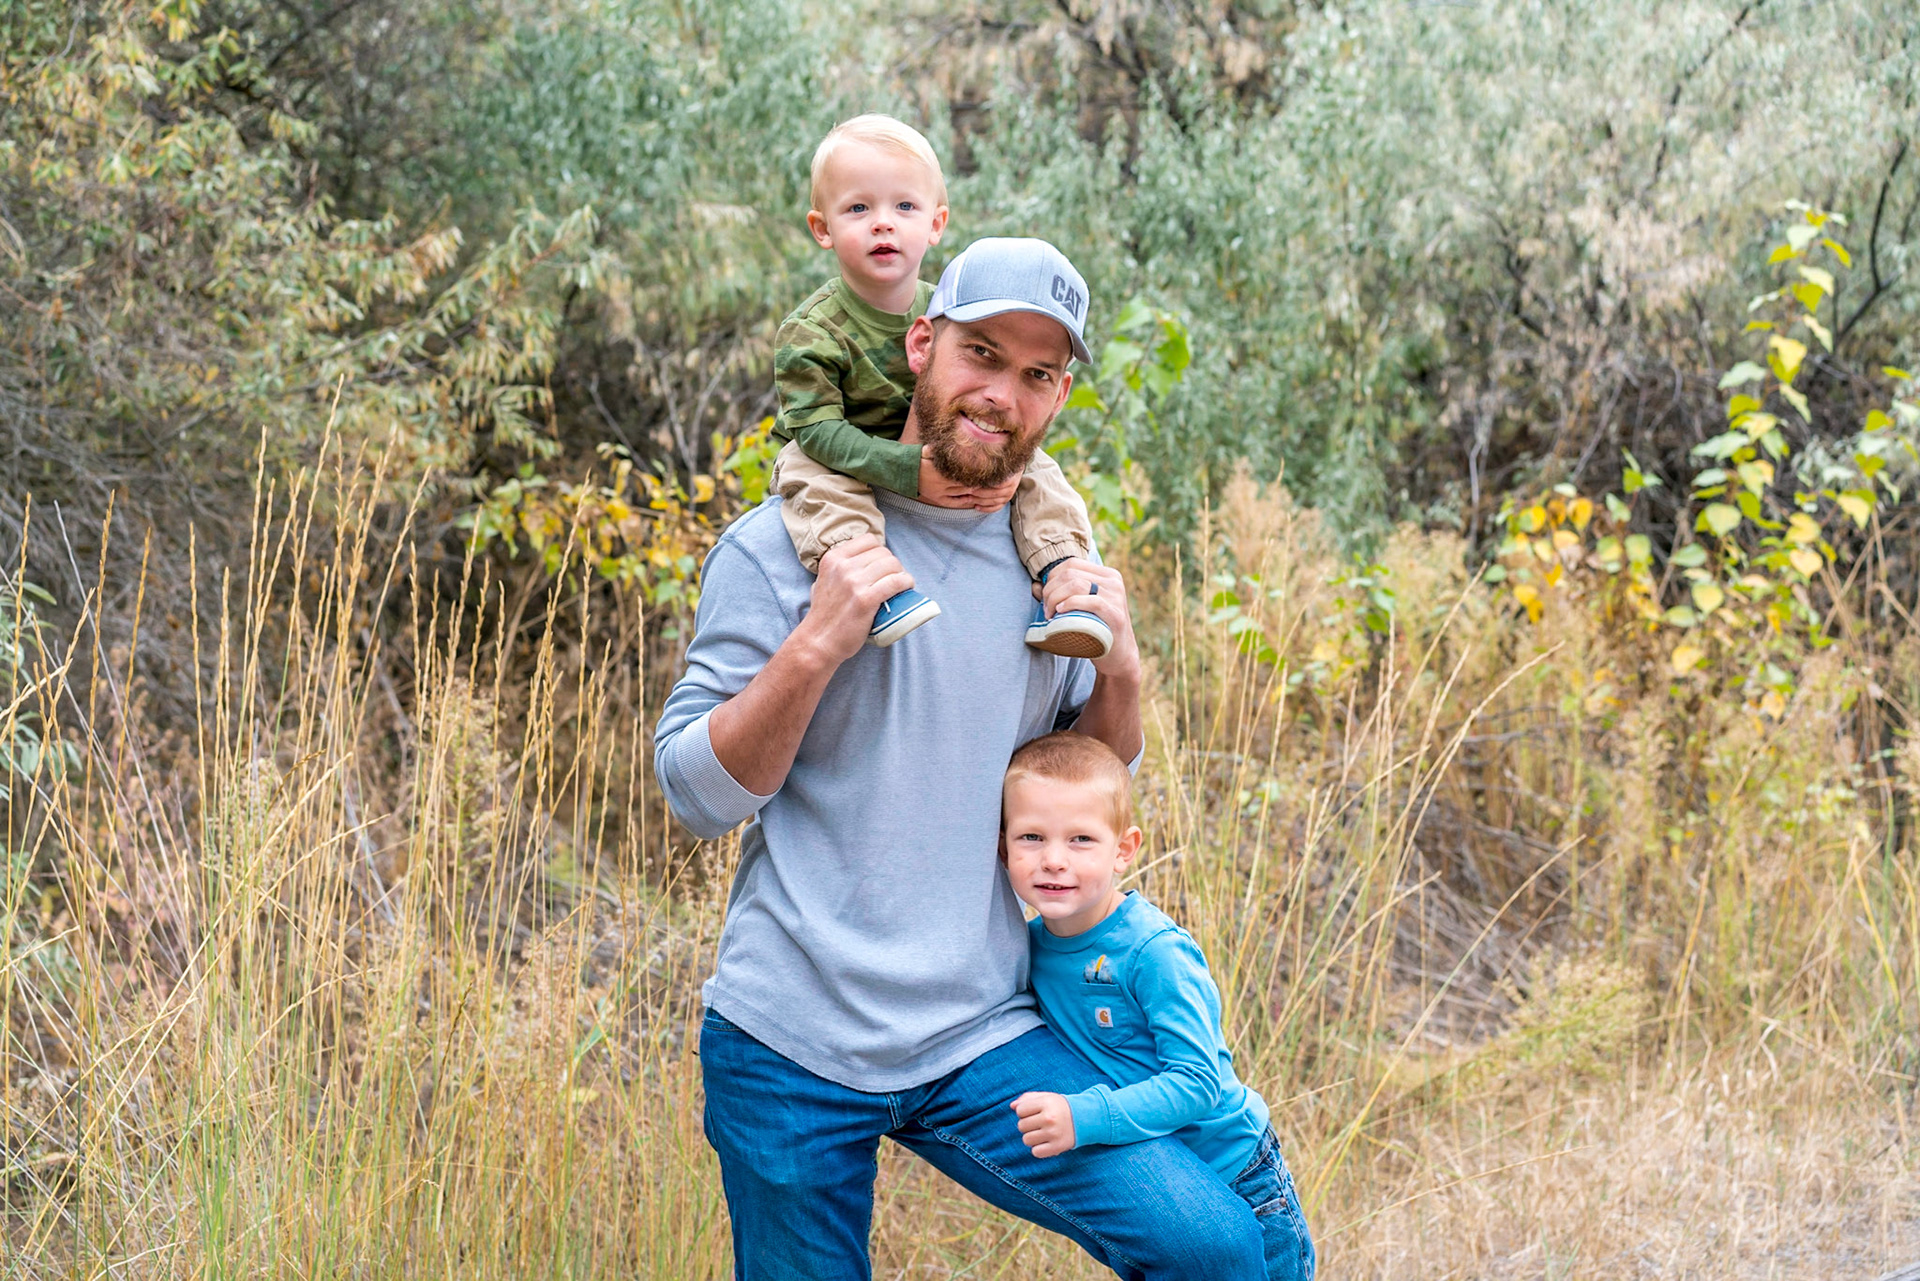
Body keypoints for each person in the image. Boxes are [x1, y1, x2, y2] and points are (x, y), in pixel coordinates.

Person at [654, 237, 1264, 1279]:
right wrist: (817, 643)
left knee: (1212, 1248)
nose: (1001, 395)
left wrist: (1121, 665)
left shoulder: (1052, 569)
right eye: (981, 354)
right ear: (922, 346)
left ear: (1058, 394)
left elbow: (1085, 780)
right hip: (791, 1039)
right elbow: (694, 796)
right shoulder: (780, 546)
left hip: (983, 1029)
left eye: (1036, 374)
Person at [770, 113, 1108, 656]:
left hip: (927, 440)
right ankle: (872, 587)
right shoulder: (811, 332)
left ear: (936, 223)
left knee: (1039, 467)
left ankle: (1065, 578)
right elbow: (814, 430)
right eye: (858, 208)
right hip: (833, 448)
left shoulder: (947, 305)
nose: (883, 224)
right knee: (812, 477)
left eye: (904, 206)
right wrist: (906, 470)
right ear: (822, 228)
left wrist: (1000, 466)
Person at [1000, 731, 1317, 1281]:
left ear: (1123, 850)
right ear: (1004, 847)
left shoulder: (1154, 952)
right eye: (1031, 837)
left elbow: (1199, 1083)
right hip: (1153, 1182)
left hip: (1235, 1176)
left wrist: (1085, 1116)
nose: (1053, 860)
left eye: (1081, 840)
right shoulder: (1026, 948)